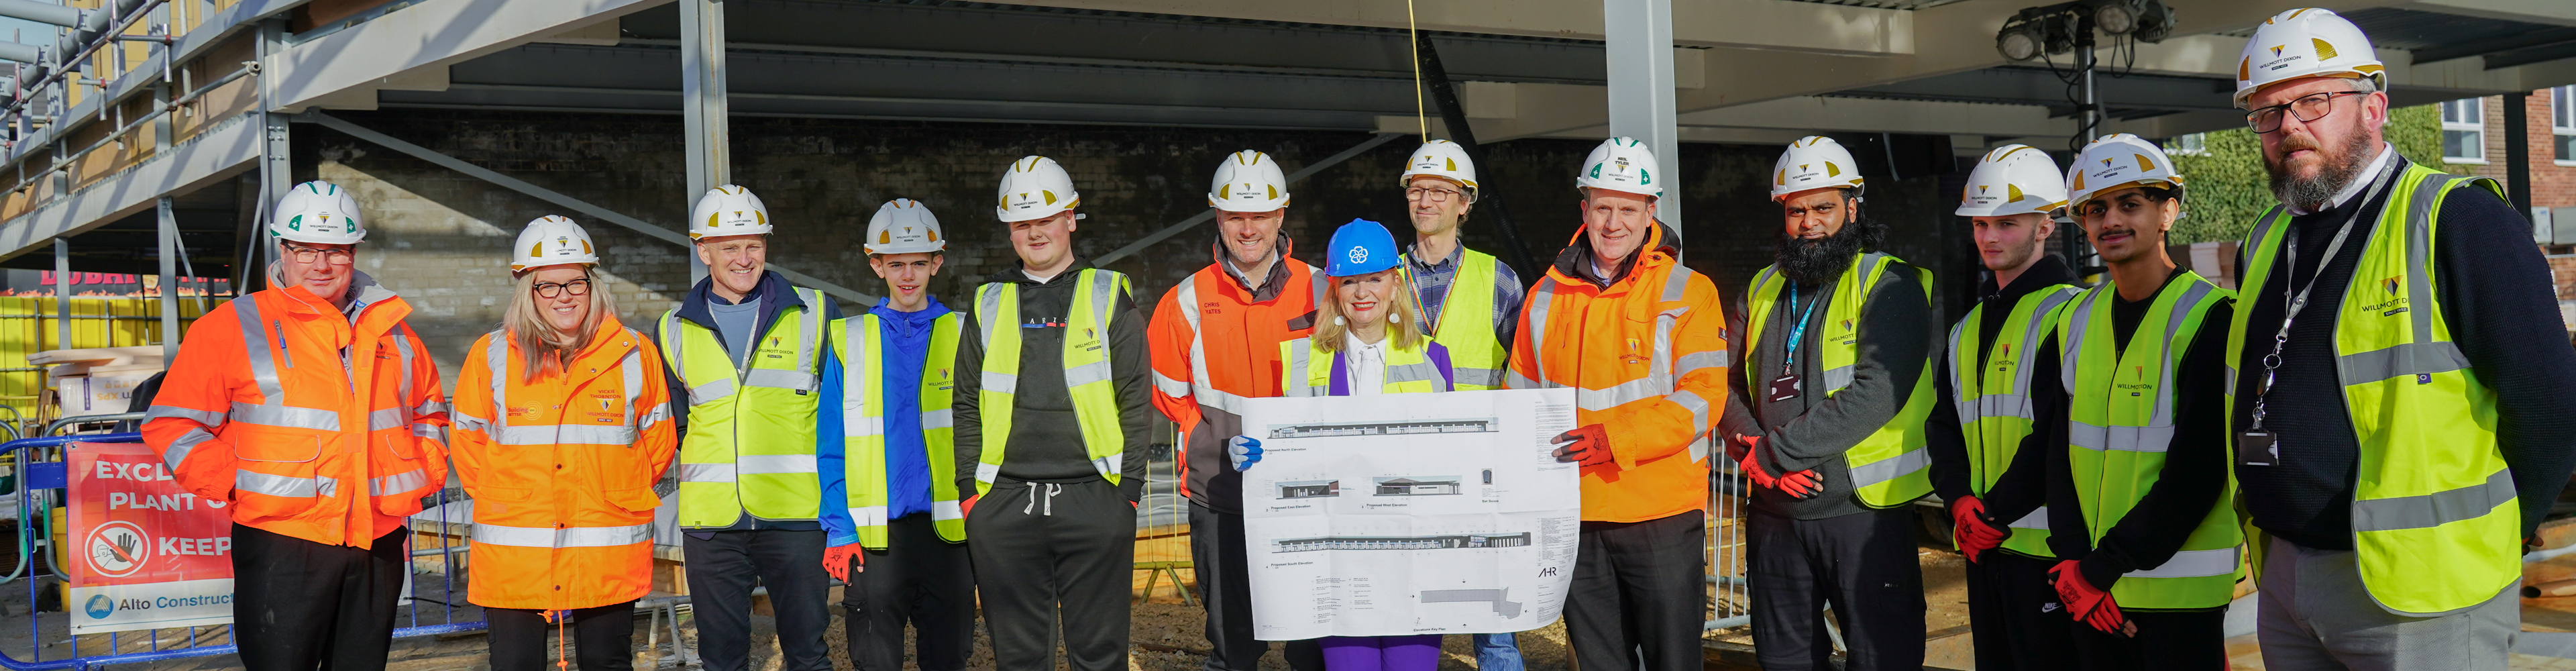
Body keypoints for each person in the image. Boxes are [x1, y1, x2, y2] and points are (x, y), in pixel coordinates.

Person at [2227, 9, 2576, 670]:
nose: (2289, 127)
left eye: (2313, 100)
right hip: (2285, 575)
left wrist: (2502, 530)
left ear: (2374, 107)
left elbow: (2550, 404)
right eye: (2267, 113)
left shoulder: (2458, 220)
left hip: (2424, 595)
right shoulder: (2266, 241)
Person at [141, 180, 448, 671]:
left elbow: (429, 414)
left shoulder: (395, 331)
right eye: (305, 250)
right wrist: (238, 483)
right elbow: (173, 423)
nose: (320, 265)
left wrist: (424, 473)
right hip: (283, 544)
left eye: (336, 251)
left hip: (378, 540)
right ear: (282, 249)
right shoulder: (231, 327)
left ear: (354, 252)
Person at [1503, 138, 1727, 671]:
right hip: (1575, 514)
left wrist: (1613, 441)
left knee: (1674, 661)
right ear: (1584, 209)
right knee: (1601, 663)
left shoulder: (1687, 292)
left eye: (1628, 209)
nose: (1613, 223)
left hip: (1660, 512)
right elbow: (1520, 402)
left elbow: (1702, 400)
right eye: (1603, 207)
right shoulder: (1544, 295)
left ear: (1651, 212)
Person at [1718, 136, 1934, 671]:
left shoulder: (1888, 282)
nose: (1809, 221)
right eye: (1797, 210)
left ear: (1852, 208)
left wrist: (1774, 457)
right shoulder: (1763, 287)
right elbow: (1718, 384)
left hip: (1862, 515)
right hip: (1774, 517)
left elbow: (1876, 392)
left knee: (1880, 658)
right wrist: (1761, 461)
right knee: (1785, 660)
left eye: (1823, 207)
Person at [2031, 135, 2241, 668]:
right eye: (2096, 210)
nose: (2111, 221)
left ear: (2168, 211)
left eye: (2131, 204)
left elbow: (2198, 469)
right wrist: (2079, 565)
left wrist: (2102, 568)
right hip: (2092, 589)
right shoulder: (2073, 321)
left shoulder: (2212, 318)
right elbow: (2058, 451)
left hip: (2176, 596)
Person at [1228, 218, 1457, 671]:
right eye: (1349, 281)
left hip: (1410, 554)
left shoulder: (1434, 359)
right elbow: (1282, 446)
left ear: (1395, 284)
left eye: (1374, 278)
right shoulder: (1299, 360)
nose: (1362, 292)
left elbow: (1449, 458)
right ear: (1334, 288)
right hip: (1336, 556)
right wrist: (1253, 451)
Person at [955, 156, 1154, 671]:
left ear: (1070, 218)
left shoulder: (1110, 293)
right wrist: (970, 496)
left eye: (1045, 220)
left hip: (1096, 499)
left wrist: (1127, 493)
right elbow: (966, 401)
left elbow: (1135, 394)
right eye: (1022, 224)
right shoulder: (987, 301)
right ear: (1009, 231)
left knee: (1101, 657)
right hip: (1005, 505)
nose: (1034, 233)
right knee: (1018, 660)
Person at [451, 216, 676, 671]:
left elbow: (657, 443)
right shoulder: (492, 356)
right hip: (516, 554)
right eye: (548, 286)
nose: (564, 297)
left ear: (593, 285)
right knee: (515, 665)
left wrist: (610, 492)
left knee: (607, 662)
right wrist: (517, 501)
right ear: (527, 290)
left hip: (605, 547)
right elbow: (470, 448)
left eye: (575, 283)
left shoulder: (634, 353)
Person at [1147, 150, 1324, 671]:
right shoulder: (1184, 301)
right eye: (1235, 215)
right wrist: (1211, 441)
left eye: (1261, 215)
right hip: (1220, 492)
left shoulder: (1321, 289)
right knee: (1232, 645)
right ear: (1217, 216)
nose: (1248, 228)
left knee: (1311, 640)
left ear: (1282, 215)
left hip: (1306, 494)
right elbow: (1168, 393)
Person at [659, 185, 841, 671]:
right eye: (730, 247)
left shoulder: (816, 314)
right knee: (721, 658)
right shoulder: (672, 328)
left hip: (797, 516)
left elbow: (842, 418)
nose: (744, 258)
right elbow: (675, 428)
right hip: (712, 526)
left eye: (754, 245)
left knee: (807, 653)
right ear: (704, 251)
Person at [1924, 145, 2080, 671]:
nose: (1989, 237)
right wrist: (1959, 501)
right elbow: (1943, 425)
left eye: (2007, 224)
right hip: (1985, 545)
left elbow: (2057, 434)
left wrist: (1987, 513)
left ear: (2045, 225)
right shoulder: (1967, 327)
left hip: (2051, 553)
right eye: (1981, 224)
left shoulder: (2072, 313)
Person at [818, 199, 977, 671]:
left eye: (918, 263)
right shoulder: (849, 339)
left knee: (949, 660)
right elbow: (831, 446)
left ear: (937, 262)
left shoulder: (967, 335)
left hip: (947, 535)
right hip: (873, 539)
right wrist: (839, 529)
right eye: (896, 264)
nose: (908, 276)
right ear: (876, 265)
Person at [1397, 138, 1531, 671]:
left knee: (1493, 626)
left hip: (1480, 473)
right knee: (1405, 613)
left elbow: (1524, 377)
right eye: (1417, 189)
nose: (1426, 200)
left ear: (1465, 203)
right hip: (1404, 473)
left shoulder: (1497, 280)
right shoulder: (1383, 280)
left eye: (1440, 191)